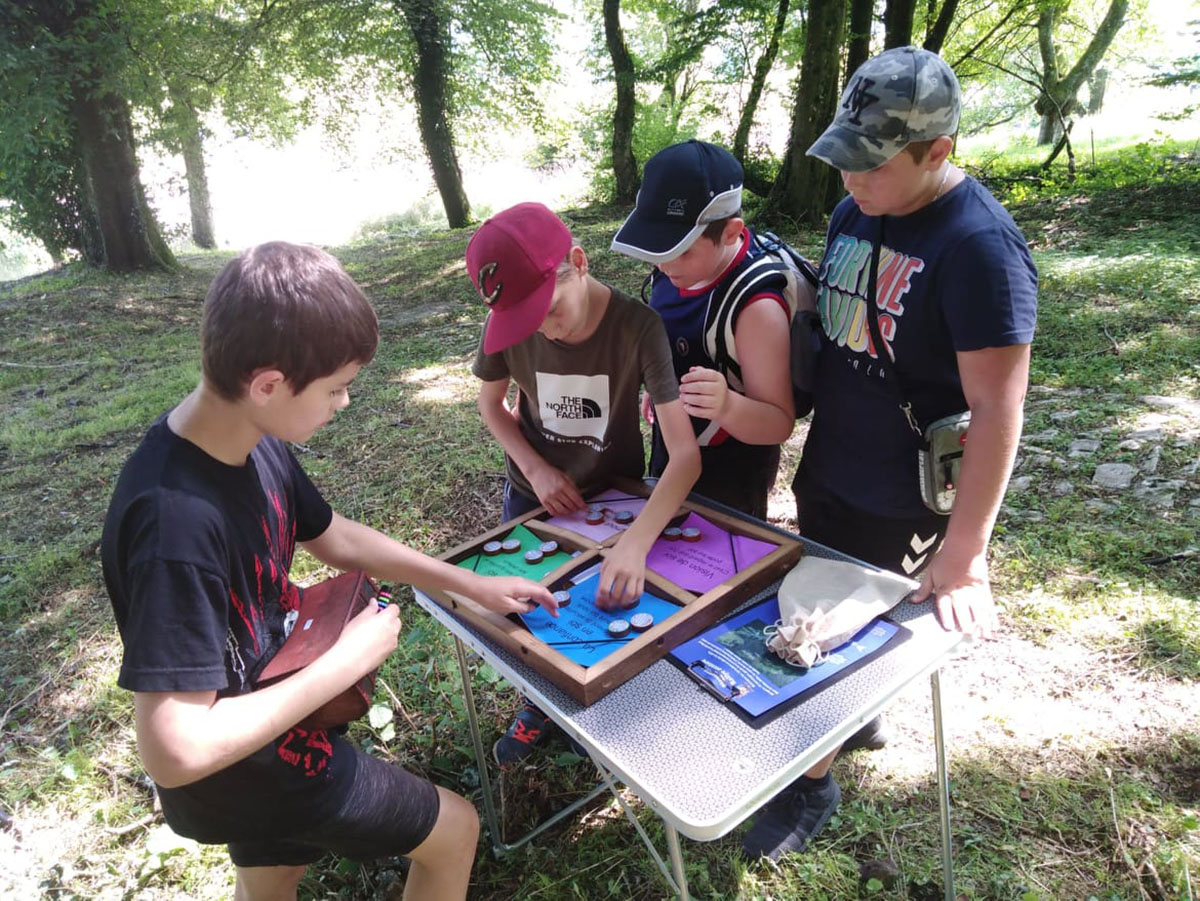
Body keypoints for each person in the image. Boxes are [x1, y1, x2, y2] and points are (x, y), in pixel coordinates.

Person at [100, 242, 559, 901]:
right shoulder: (174, 525)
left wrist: (469, 581)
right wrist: (343, 665)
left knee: (273, 878)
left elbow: (335, 536)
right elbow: (174, 752)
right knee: (456, 830)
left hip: (261, 745)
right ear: (268, 384)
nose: (343, 402)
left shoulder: (248, 436)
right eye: (336, 387)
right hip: (255, 771)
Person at [743, 46, 1038, 862]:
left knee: (822, 631)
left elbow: (997, 409)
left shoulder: (980, 249)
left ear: (938, 151)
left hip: (903, 495)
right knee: (821, 609)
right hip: (833, 467)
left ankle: (811, 784)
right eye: (846, 158)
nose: (851, 179)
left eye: (872, 165)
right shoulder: (854, 211)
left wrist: (967, 551)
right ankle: (857, 714)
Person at [468, 202, 701, 765]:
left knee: (600, 614)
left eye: (550, 311)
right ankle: (537, 704)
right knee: (529, 615)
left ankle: (593, 713)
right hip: (533, 498)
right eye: (526, 322)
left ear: (578, 262)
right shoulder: (506, 326)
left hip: (611, 500)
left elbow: (685, 456)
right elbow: (491, 406)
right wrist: (535, 469)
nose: (544, 329)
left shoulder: (639, 327)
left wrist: (637, 542)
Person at [610, 139, 796, 520]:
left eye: (680, 250)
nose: (664, 264)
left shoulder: (756, 309)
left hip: (729, 483)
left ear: (730, 232)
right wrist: (659, 385)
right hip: (671, 453)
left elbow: (779, 422)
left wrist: (727, 405)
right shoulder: (669, 271)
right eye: (657, 248)